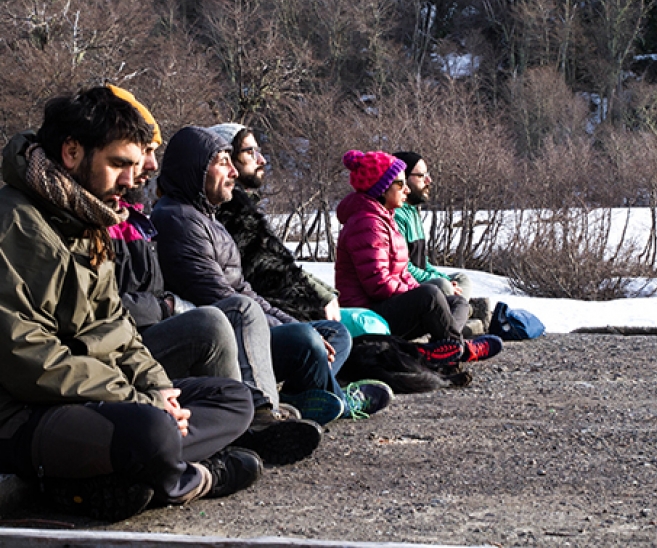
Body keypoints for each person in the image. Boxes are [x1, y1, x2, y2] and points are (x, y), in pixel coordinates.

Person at [0, 87, 261, 522]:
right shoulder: (13, 223)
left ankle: (110, 475)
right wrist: (137, 401)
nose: (129, 179)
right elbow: (26, 358)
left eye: (134, 167)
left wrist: (157, 388)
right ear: (71, 152)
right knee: (152, 431)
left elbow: (118, 329)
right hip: (22, 414)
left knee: (233, 398)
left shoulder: (89, 217)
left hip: (94, 400)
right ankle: (192, 478)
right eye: (119, 164)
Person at [103, 85, 322, 465]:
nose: (150, 166)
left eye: (152, 153)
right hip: (112, 354)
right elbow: (102, 309)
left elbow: (278, 272)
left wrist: (317, 303)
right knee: (235, 317)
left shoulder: (138, 219)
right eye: (141, 153)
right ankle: (257, 421)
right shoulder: (172, 219)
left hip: (137, 340)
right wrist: (167, 306)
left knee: (319, 333)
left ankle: (262, 413)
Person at [150, 126, 393, 422]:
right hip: (229, 338)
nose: (234, 173)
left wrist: (293, 324)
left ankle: (298, 398)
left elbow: (247, 290)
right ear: (196, 169)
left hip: (250, 323)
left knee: (334, 333)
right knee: (306, 338)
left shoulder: (207, 218)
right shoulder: (178, 220)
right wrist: (294, 331)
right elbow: (221, 299)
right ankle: (337, 400)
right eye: (223, 162)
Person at [335, 150, 502, 364]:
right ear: (382, 188)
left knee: (457, 303)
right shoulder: (367, 224)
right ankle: (457, 349)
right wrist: (419, 292)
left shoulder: (384, 218)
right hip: (368, 315)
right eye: (400, 184)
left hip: (386, 305)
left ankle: (439, 350)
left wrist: (421, 290)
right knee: (431, 295)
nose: (406, 190)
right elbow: (378, 285)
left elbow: (402, 272)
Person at [210, 122, 338, 322]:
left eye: (258, 152)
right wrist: (322, 298)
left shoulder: (243, 208)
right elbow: (270, 272)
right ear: (227, 159)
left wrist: (327, 294)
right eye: (250, 152)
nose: (261, 160)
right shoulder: (232, 213)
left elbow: (283, 265)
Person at [392, 151, 473, 299]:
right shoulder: (396, 215)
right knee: (443, 286)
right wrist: (443, 281)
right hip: (408, 288)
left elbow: (422, 262)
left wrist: (446, 279)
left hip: (423, 283)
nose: (428, 180)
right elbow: (405, 268)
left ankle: (459, 310)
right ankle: (460, 313)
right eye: (421, 175)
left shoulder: (413, 212)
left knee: (461, 279)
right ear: (403, 178)